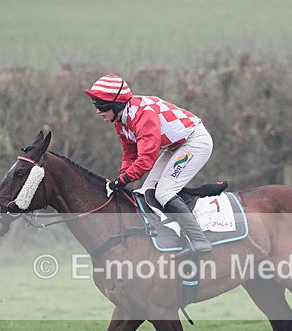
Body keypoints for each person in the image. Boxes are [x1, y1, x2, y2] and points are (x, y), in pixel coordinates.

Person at [84, 73, 213, 256]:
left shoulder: (143, 116)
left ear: (116, 104)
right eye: (95, 105)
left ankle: (199, 240)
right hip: (176, 146)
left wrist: (123, 180)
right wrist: (122, 177)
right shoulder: (121, 120)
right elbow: (130, 153)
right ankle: (169, 235)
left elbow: (146, 160)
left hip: (195, 142)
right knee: (147, 192)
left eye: (101, 105)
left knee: (164, 192)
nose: (98, 111)